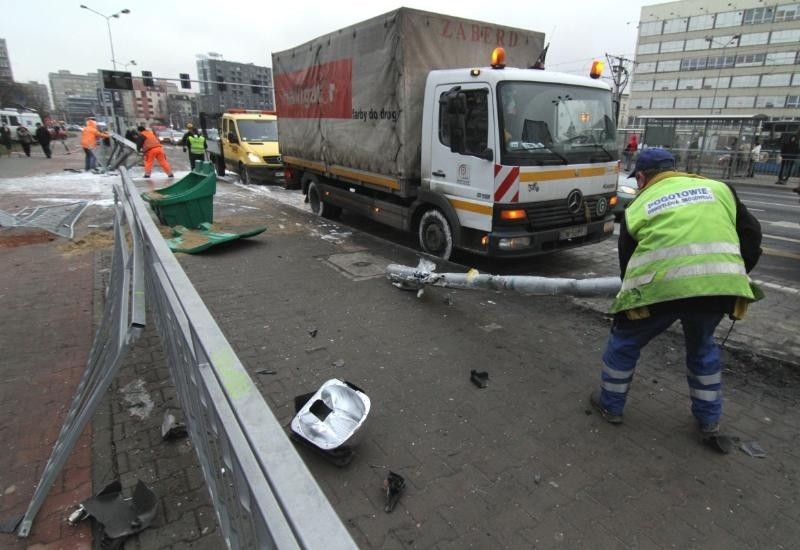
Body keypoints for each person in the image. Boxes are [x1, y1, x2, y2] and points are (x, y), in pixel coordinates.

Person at [589, 148, 762, 445]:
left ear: (641, 177)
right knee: (702, 348)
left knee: (625, 343)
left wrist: (629, 304)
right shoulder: (720, 189)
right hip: (716, 289)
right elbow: (752, 234)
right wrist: (733, 272)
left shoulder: (639, 205)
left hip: (661, 291)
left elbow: (628, 265)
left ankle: (610, 406)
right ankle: (708, 421)